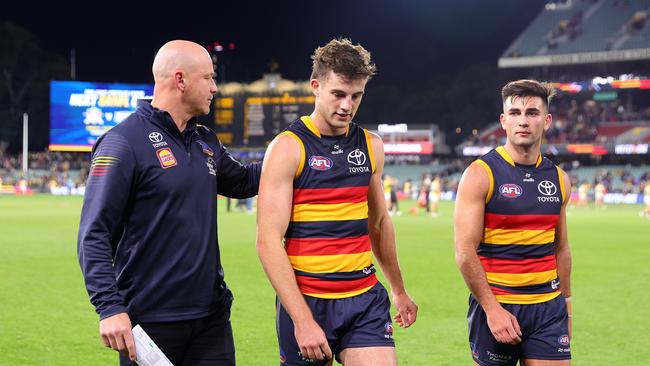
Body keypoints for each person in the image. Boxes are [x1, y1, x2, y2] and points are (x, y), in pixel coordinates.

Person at [77, 40, 261, 365]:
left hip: (211, 319)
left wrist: (296, 148)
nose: (215, 87)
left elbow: (246, 181)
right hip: (150, 321)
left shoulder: (205, 140)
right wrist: (109, 307)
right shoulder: (123, 142)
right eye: (208, 77)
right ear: (181, 80)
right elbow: (94, 234)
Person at [256, 38, 418, 366]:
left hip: (364, 299)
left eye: (356, 96)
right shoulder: (288, 148)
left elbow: (379, 223)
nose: (347, 105)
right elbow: (268, 241)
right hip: (308, 301)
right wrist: (302, 320)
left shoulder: (371, 145)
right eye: (338, 94)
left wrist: (398, 289)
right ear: (316, 86)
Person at [454, 79, 572, 366]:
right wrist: (492, 309)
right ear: (503, 121)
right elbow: (465, 251)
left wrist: (567, 306)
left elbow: (561, 249)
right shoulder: (480, 174)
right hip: (498, 305)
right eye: (515, 113)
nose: (523, 120)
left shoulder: (559, 179)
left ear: (546, 121)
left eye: (532, 113)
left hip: (548, 308)